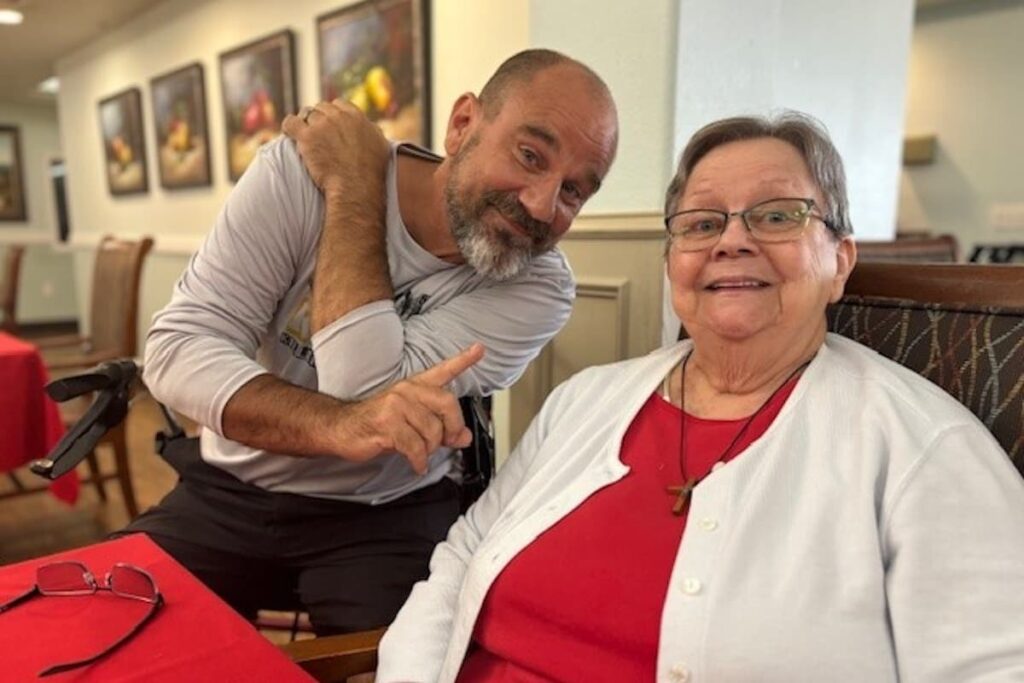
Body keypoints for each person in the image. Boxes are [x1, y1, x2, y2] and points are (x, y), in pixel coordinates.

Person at [375, 112, 1024, 682]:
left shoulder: (924, 449)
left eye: (777, 216)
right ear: (671, 263)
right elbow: (461, 558)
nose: (730, 240)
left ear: (840, 260)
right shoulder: (585, 399)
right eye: (702, 221)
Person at [119, 49, 619, 635]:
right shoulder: (296, 172)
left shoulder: (539, 283)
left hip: (384, 513)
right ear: (463, 126)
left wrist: (353, 186)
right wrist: (343, 425)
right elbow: (179, 347)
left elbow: (362, 387)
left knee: (415, 665)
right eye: (529, 155)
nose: (541, 205)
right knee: (97, 624)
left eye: (573, 193)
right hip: (228, 488)